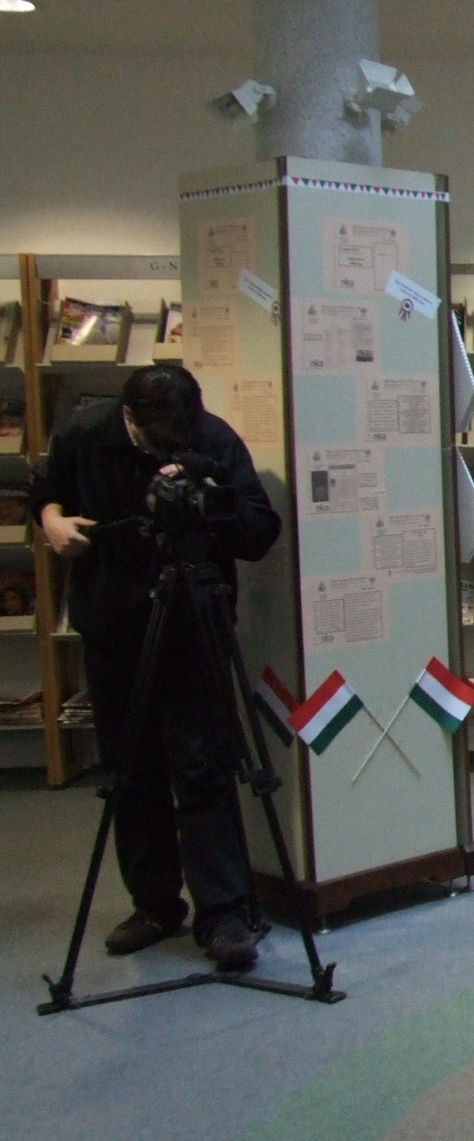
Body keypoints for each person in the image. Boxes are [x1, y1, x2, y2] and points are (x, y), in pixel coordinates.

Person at [30, 366, 281, 970]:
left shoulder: (213, 438)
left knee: (204, 767)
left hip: (193, 625)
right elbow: (45, 493)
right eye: (157, 441)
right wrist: (52, 522)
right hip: (115, 625)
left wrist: (208, 496)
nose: (169, 448)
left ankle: (223, 912)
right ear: (128, 418)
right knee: (131, 769)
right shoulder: (86, 435)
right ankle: (155, 903)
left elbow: (259, 531)